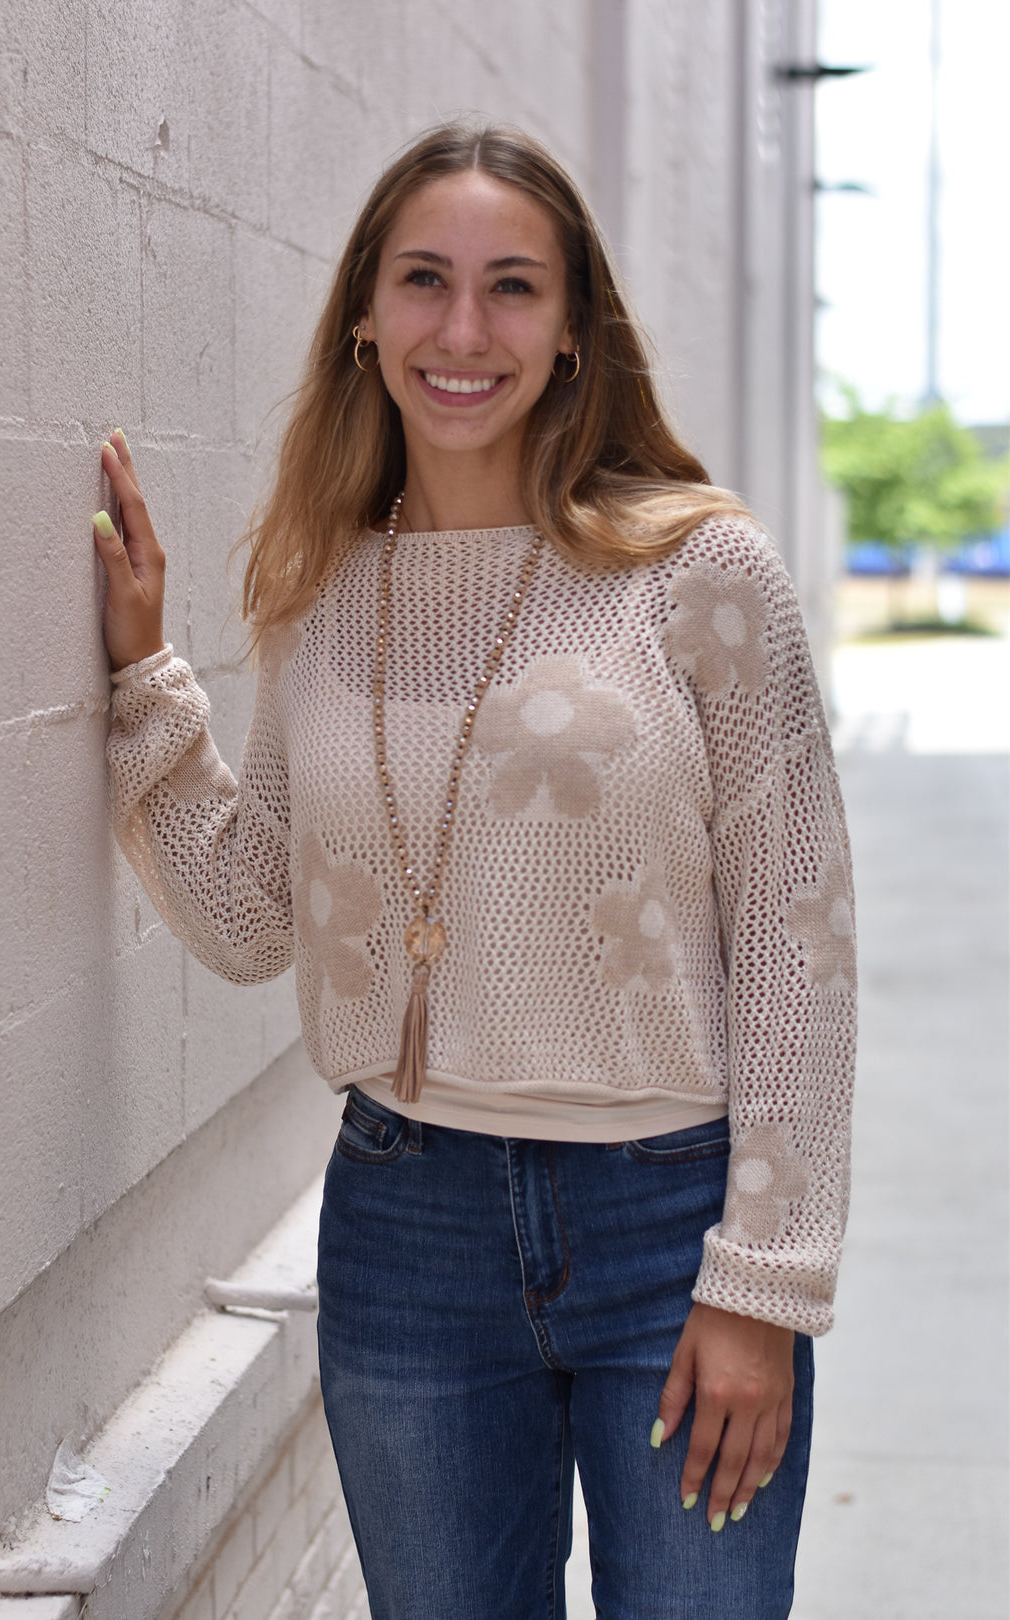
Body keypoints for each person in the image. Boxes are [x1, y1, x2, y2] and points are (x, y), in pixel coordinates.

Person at [93, 122, 855, 1620]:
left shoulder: (701, 577)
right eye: (425, 281)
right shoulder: (326, 592)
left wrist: (763, 1280)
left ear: (574, 331)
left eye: (513, 288)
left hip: (672, 1226)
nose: (463, 331)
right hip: (408, 1221)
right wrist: (146, 693)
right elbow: (258, 915)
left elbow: (797, 939)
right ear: (363, 317)